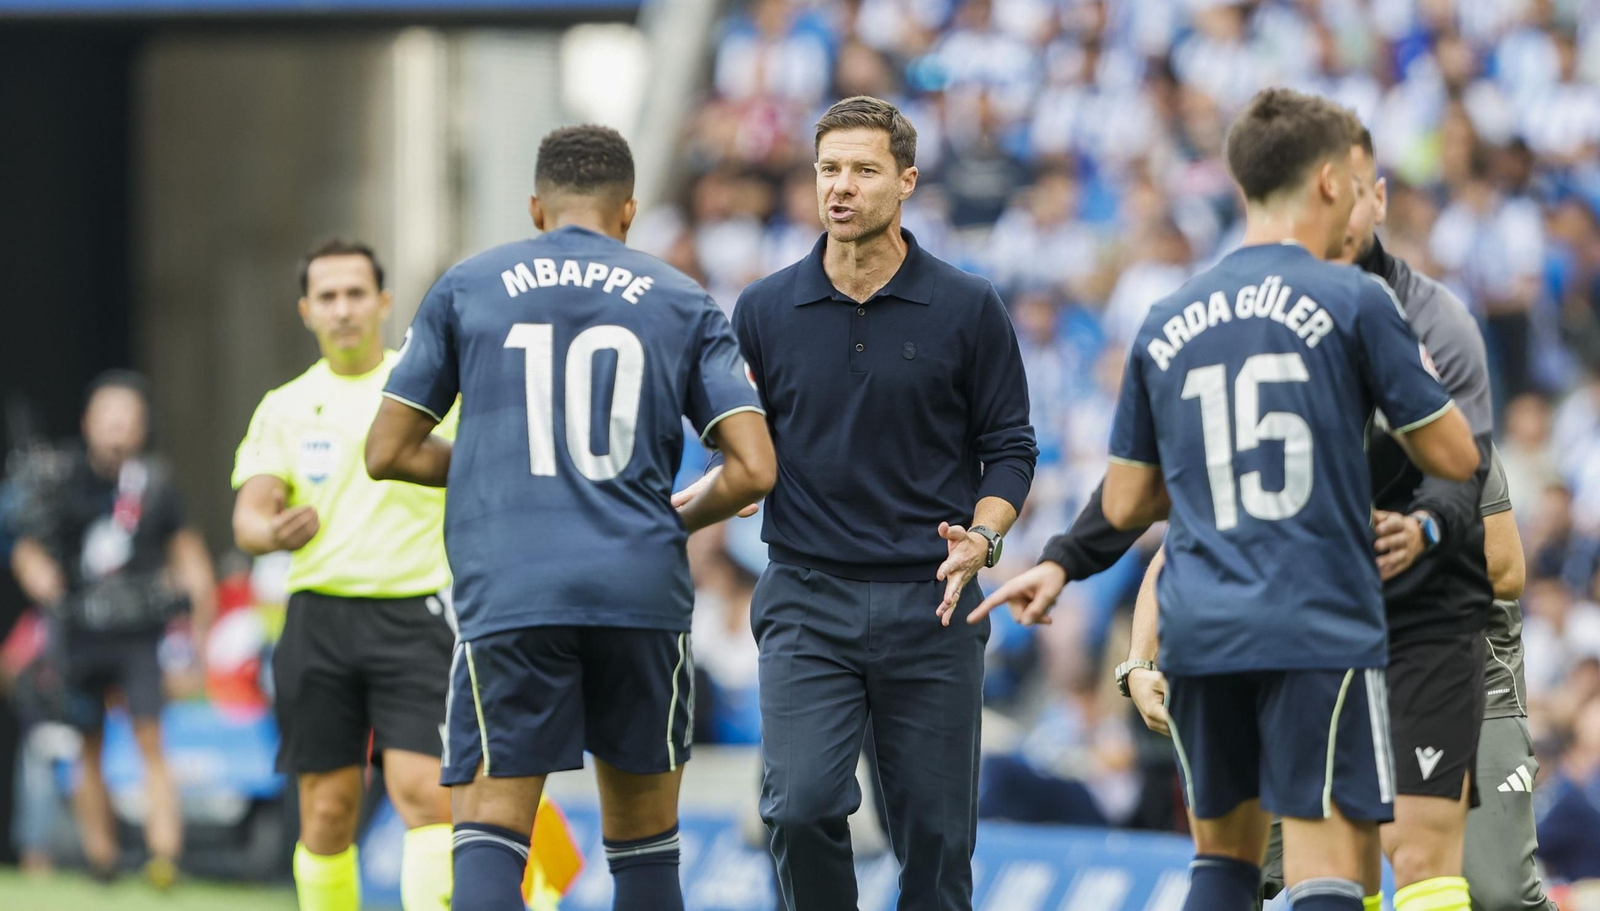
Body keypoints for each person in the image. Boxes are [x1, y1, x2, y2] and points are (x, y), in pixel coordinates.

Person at [1073, 88, 1481, 911]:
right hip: (1316, 617)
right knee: (1331, 864)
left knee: (1221, 862)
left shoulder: (1168, 314)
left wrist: (1074, 577)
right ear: (1332, 183)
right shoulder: (1359, 301)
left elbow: (1127, 504)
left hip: (1204, 623)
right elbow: (1454, 454)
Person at [365, 124, 775, 911]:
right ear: (628, 211)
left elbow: (386, 451)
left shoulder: (469, 285)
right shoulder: (681, 297)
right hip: (638, 590)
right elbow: (754, 469)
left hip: (513, 589)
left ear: (534, 207)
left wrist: (499, 467)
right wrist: (676, 517)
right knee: (646, 849)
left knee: (490, 836)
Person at [675, 94, 1039, 911]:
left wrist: (982, 538)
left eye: (864, 170)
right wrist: (708, 498)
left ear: (906, 180)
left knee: (938, 846)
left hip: (935, 603)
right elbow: (741, 447)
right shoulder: (764, 309)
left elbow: (1011, 448)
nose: (842, 186)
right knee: (799, 808)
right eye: (829, 169)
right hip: (807, 599)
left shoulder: (967, 306)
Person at [232, 240, 458, 911]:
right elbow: (248, 514)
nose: (343, 309)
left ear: (384, 303)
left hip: (416, 615)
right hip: (318, 623)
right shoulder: (285, 405)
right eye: (327, 296)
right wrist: (269, 532)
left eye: (356, 293)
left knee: (425, 796)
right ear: (306, 311)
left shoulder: (432, 391)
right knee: (327, 813)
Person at [8, 371, 216, 887]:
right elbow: (26, 543)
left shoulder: (156, 484)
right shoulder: (58, 476)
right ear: (88, 423)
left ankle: (163, 857)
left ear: (143, 427)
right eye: (109, 420)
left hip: (139, 634)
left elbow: (189, 556)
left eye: (129, 421)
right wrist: (37, 574)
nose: (119, 431)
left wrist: (201, 636)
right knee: (87, 746)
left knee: (151, 739)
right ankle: (102, 858)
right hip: (80, 633)